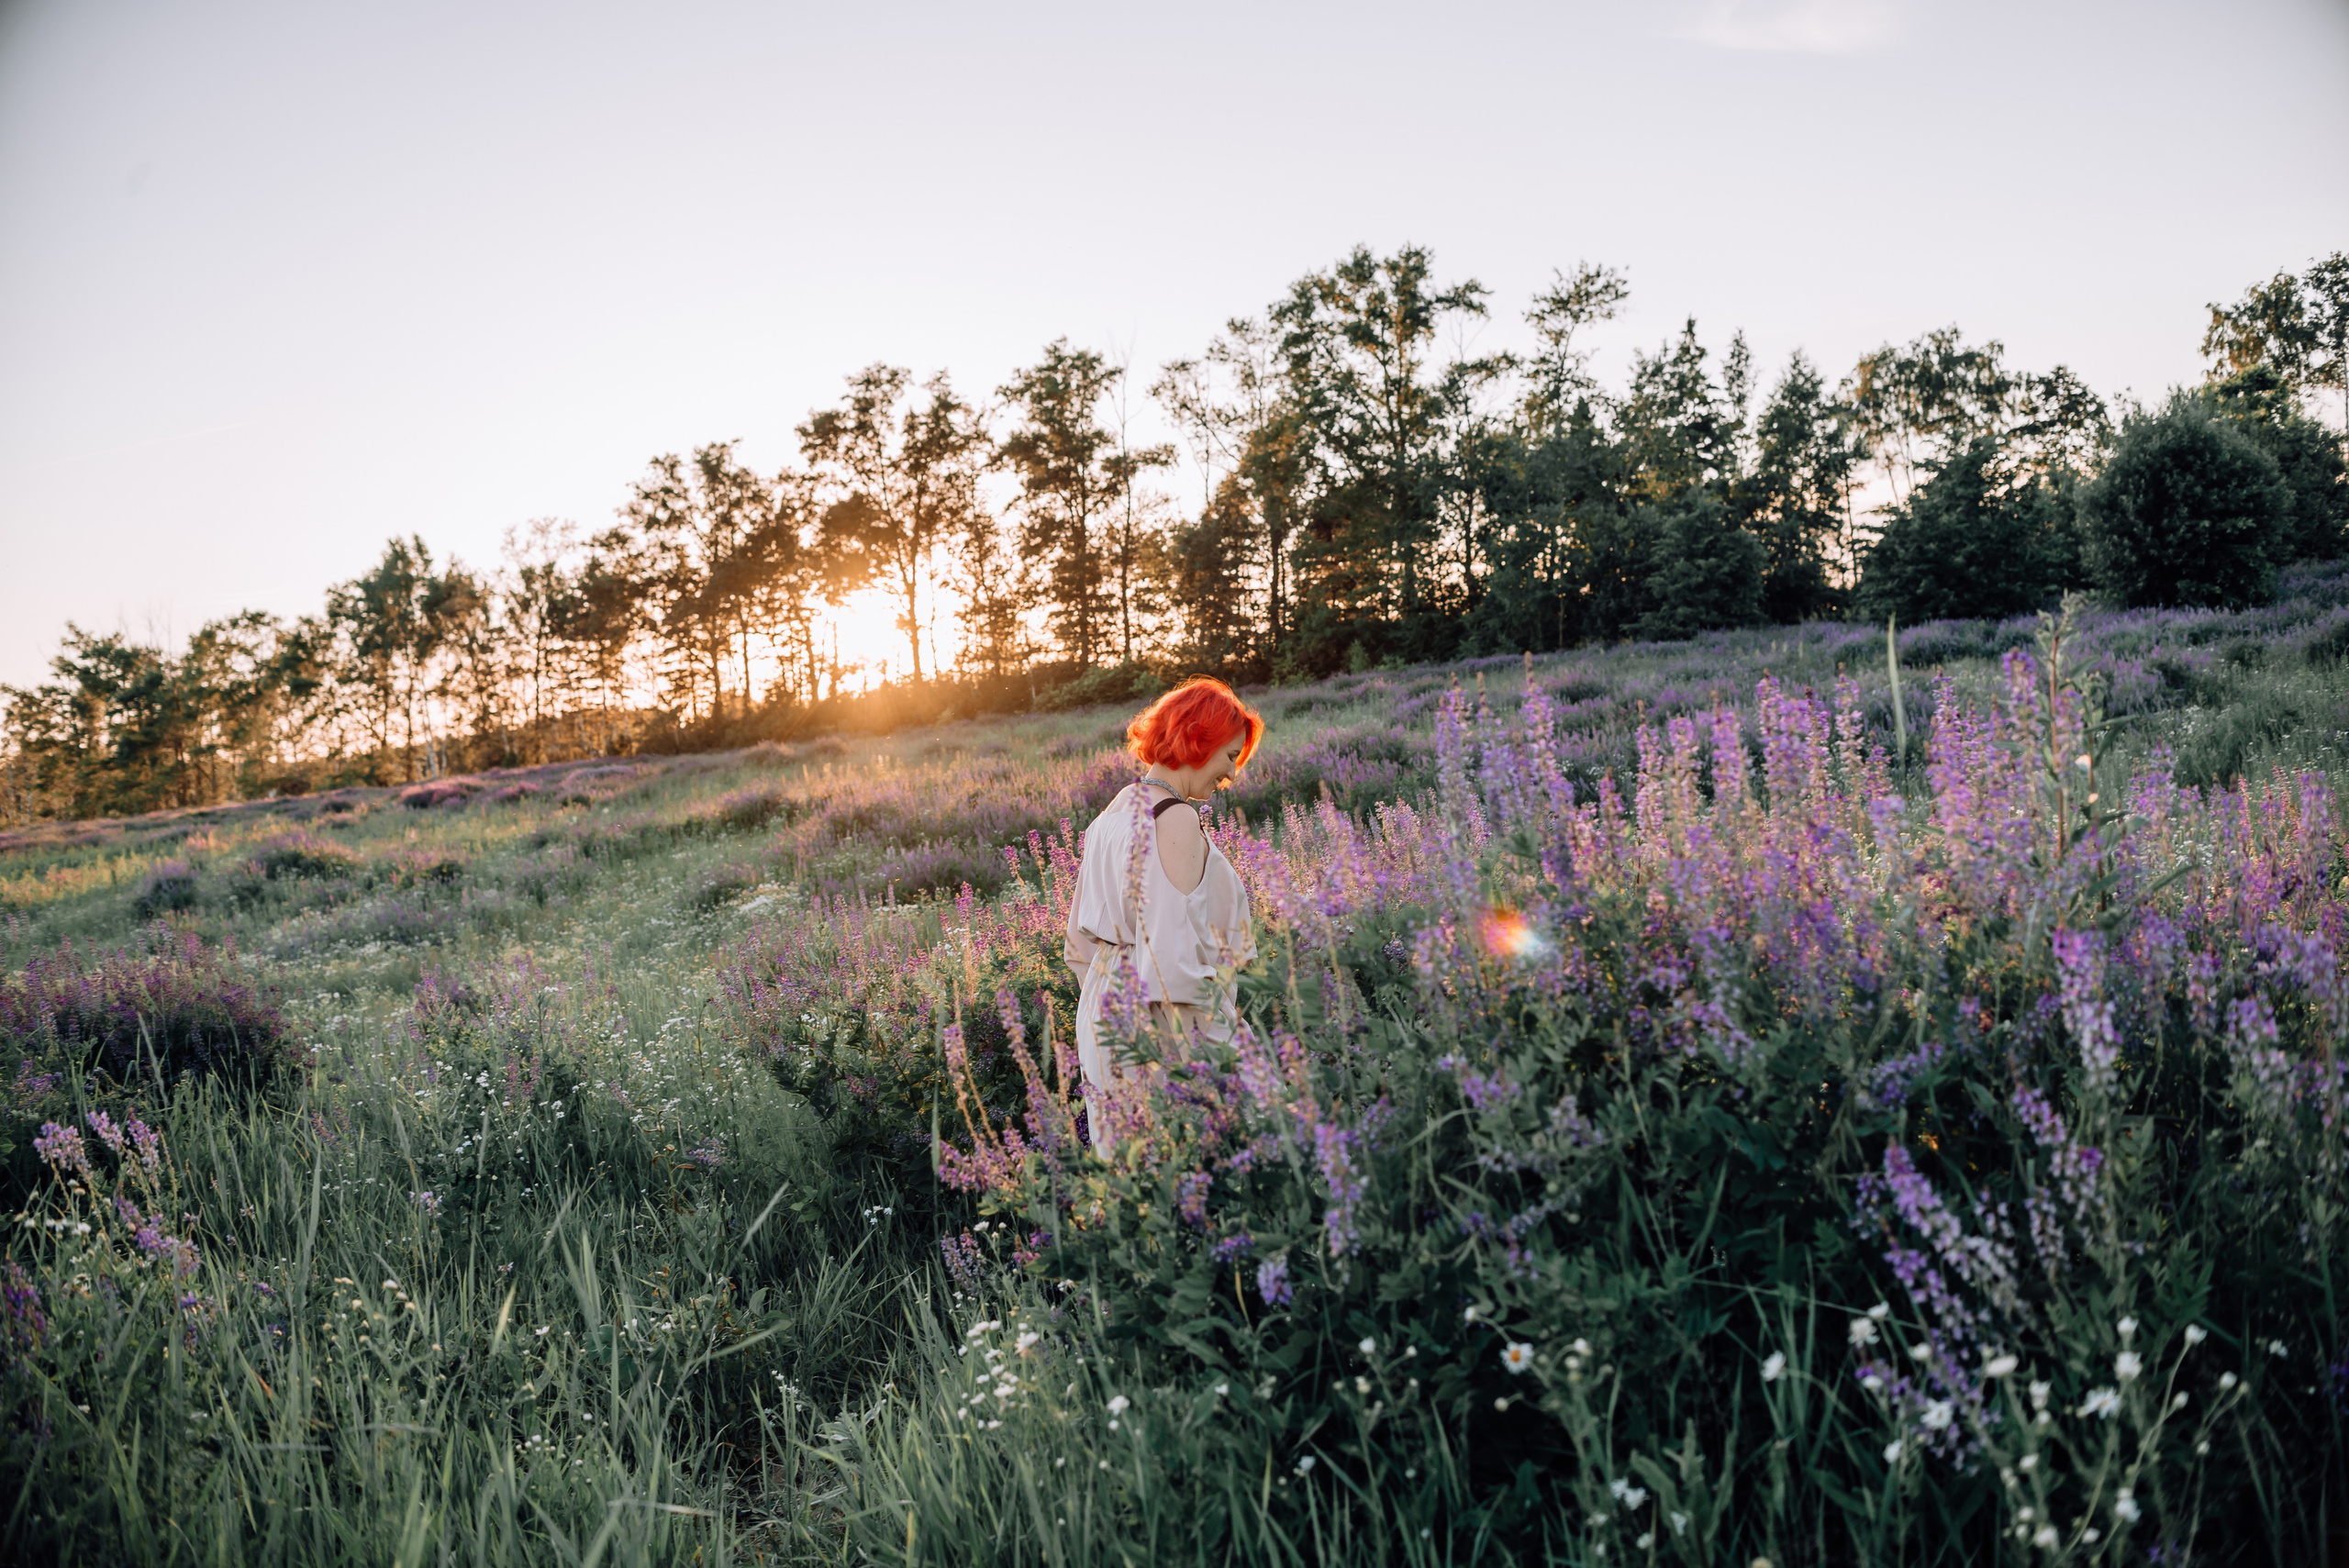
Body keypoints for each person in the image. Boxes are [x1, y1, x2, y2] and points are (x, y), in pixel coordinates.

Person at [1063, 678, 1262, 1146]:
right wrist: (1234, 1051)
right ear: (1199, 739)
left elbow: (1078, 947)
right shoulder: (1174, 817)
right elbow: (1172, 967)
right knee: (1236, 1149)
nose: (1231, 774)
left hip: (1104, 1013)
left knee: (1133, 1169)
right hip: (1163, 1024)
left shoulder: (1111, 814)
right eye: (1230, 755)